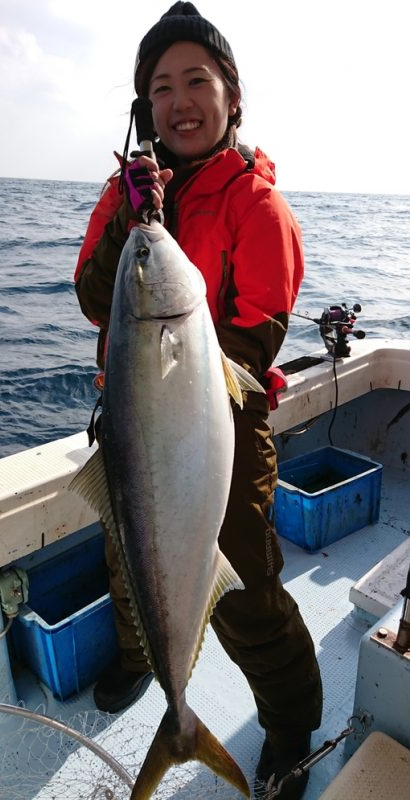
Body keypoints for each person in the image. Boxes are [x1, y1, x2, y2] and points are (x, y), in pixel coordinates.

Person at [74, 3, 323, 797]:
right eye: (159, 86)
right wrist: (127, 217)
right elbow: (90, 293)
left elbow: (259, 328)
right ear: (143, 107)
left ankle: (288, 730)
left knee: (242, 589)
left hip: (224, 428)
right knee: (129, 554)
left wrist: (182, 367)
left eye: (197, 80)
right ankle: (147, 659)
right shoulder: (126, 194)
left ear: (232, 96)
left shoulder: (256, 203)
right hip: (132, 424)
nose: (179, 100)